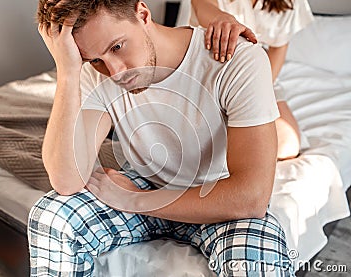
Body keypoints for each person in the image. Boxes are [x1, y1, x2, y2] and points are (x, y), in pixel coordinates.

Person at [28, 0, 294, 275]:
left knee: (257, 259)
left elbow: (251, 198)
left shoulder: (236, 59)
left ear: (142, 13)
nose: (116, 72)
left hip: (219, 200)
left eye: (117, 47)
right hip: (145, 179)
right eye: (95, 60)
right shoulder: (93, 74)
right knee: (51, 217)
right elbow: (66, 180)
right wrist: (68, 72)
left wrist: (138, 200)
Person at [191, 0, 314, 160]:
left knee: (287, 146)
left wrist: (257, 90)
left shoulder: (290, 3)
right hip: (209, 71)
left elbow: (279, 48)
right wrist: (222, 18)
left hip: (257, 75)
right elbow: (202, 6)